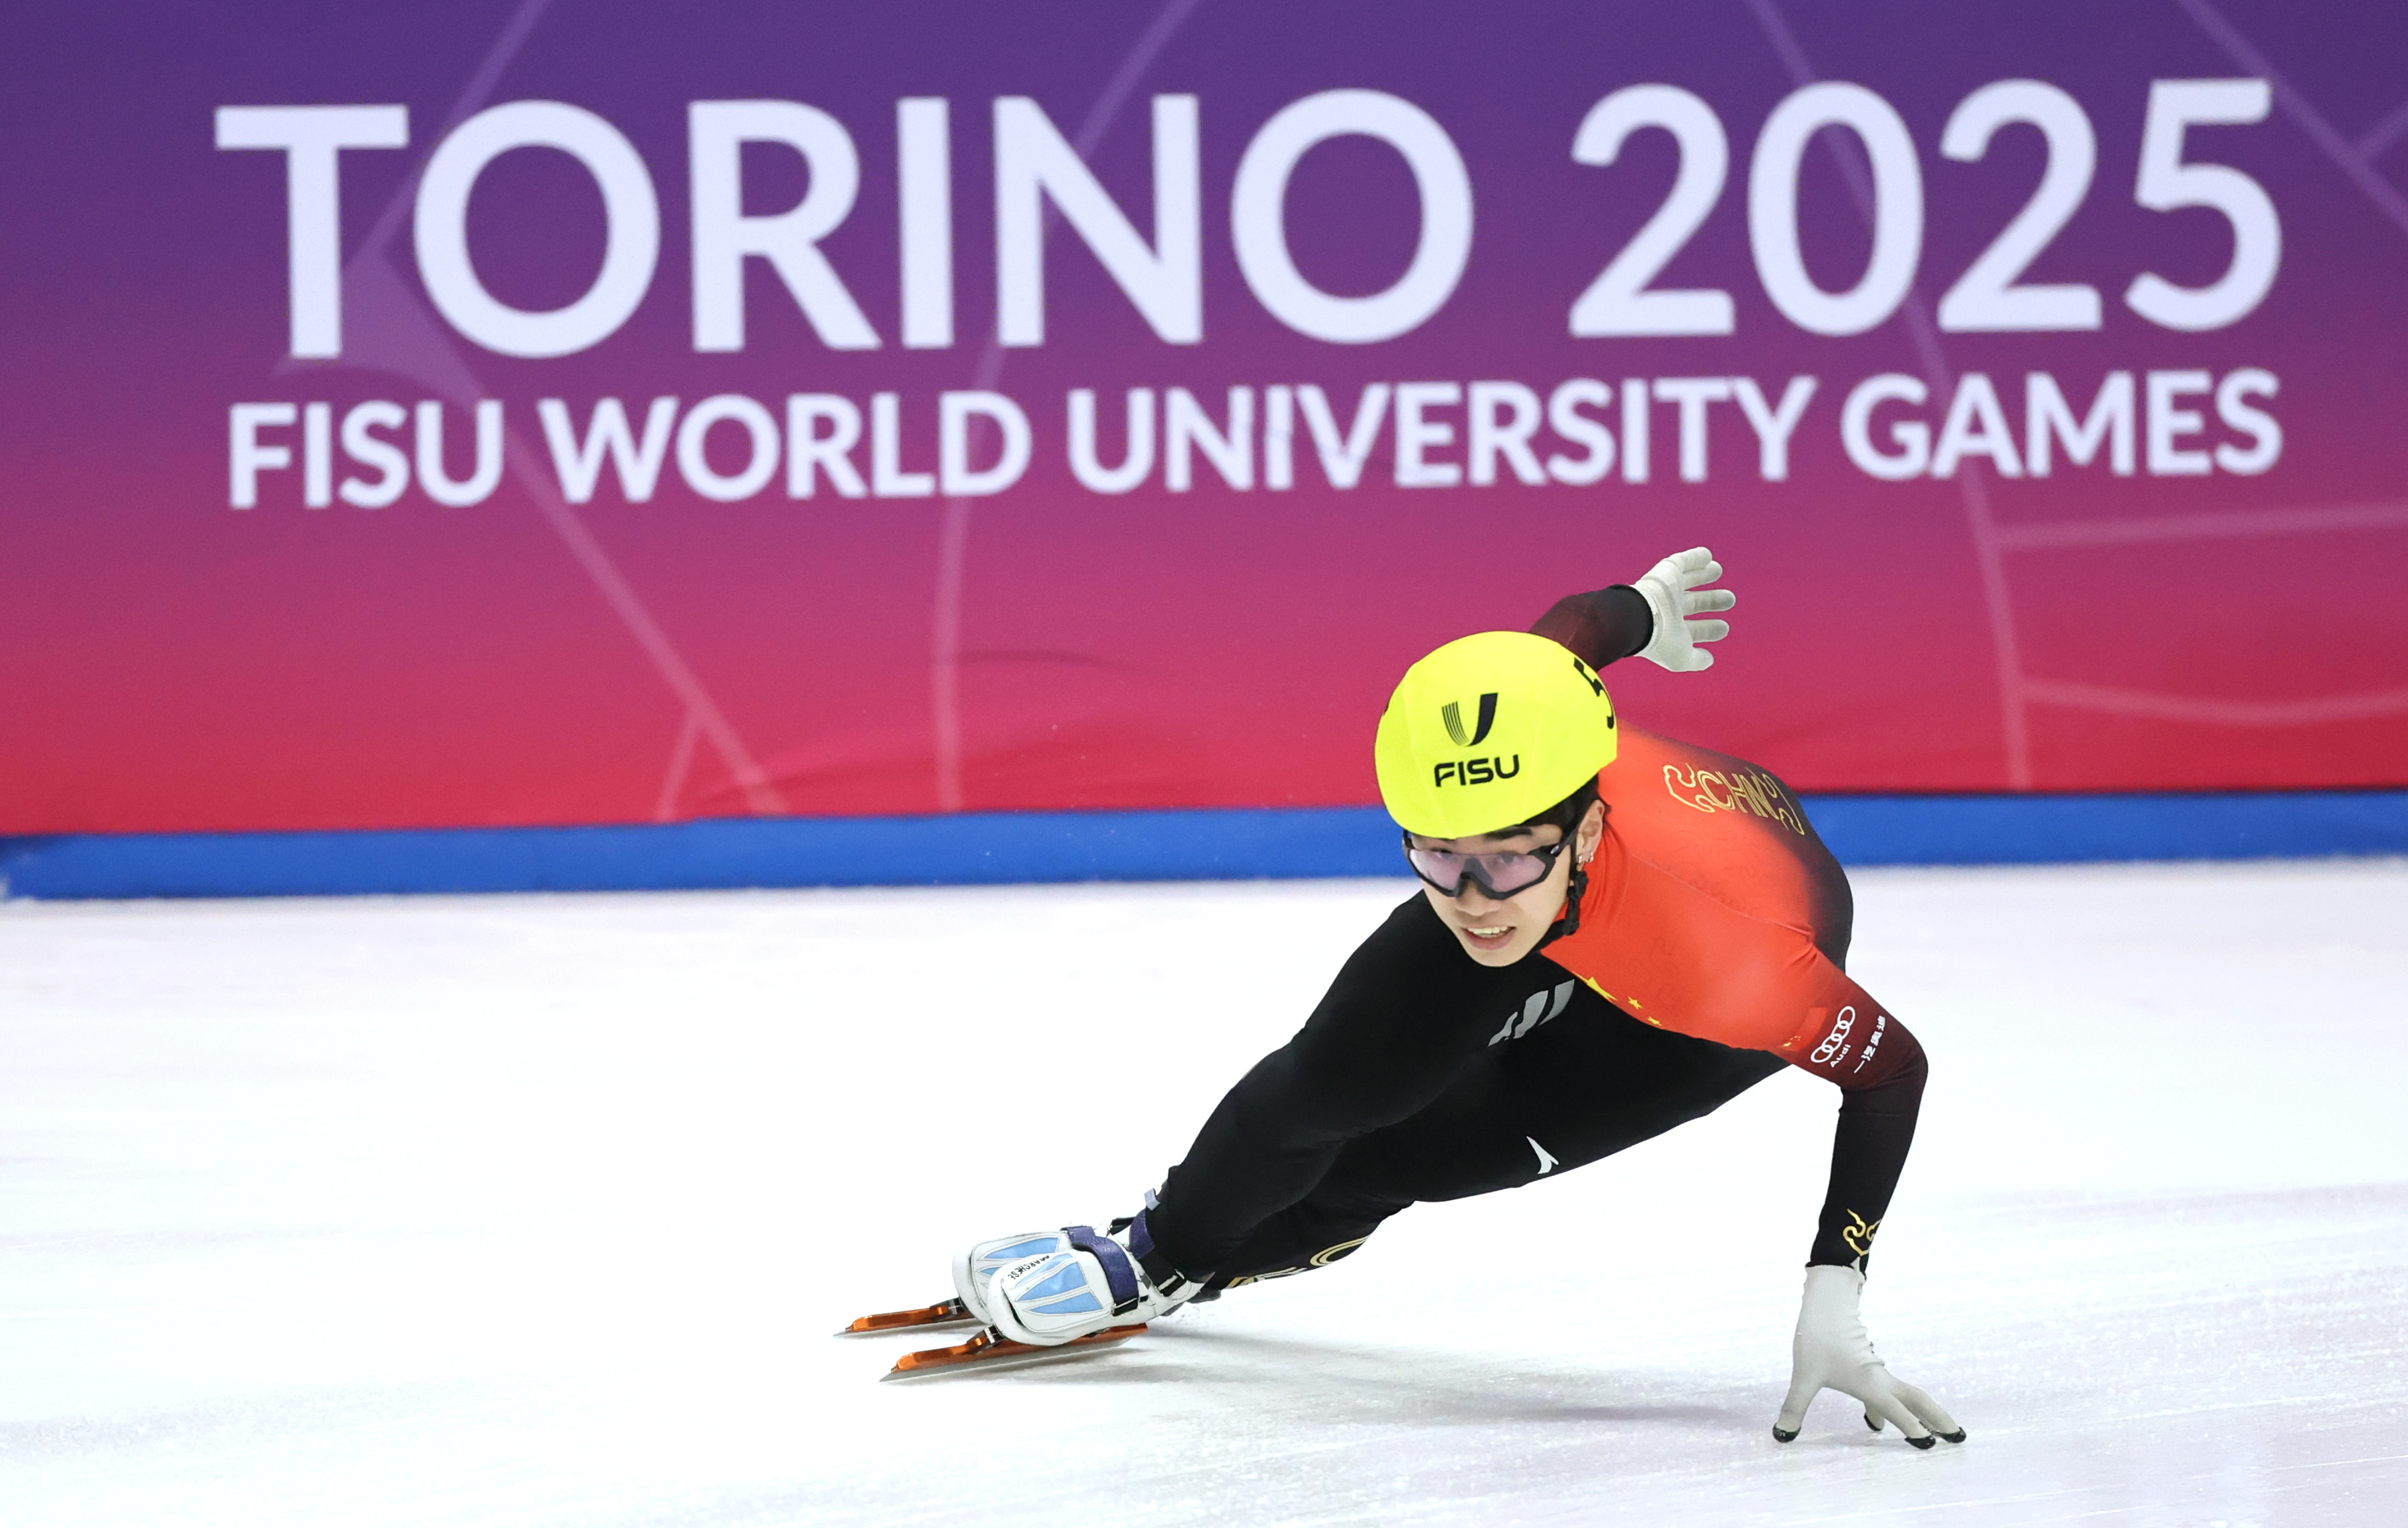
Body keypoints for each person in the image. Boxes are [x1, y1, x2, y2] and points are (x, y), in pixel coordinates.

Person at [949, 548, 1963, 1448]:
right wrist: (1643, 605)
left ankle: (1211, 1259)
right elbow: (1575, 629)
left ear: (1585, 832)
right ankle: (1159, 1252)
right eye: (1438, 853)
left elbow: (1892, 1072)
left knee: (1409, 1154)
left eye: (1506, 862)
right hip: (1607, 889)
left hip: (1699, 980)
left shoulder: (1736, 968)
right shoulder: (1511, 748)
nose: (1473, 901)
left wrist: (1837, 1283)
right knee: (1332, 1085)